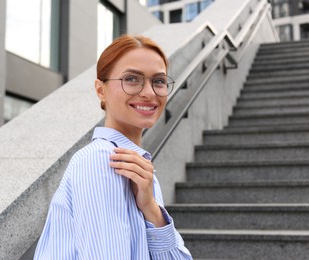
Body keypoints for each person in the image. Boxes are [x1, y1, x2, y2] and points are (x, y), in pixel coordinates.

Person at [34, 34, 193, 259]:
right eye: (131, 79)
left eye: (158, 81)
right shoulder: (102, 160)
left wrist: (152, 210)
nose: (149, 92)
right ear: (101, 89)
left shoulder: (139, 169)